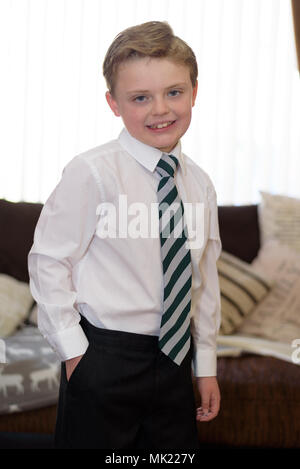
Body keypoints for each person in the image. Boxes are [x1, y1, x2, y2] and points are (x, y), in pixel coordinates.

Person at [28, 20, 221, 450]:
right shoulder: (92, 172)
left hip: (174, 359)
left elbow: (203, 278)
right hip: (105, 355)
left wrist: (205, 364)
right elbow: (49, 261)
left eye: (174, 92)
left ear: (194, 91)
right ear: (114, 103)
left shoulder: (200, 184)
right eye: (140, 98)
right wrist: (75, 354)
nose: (161, 110)